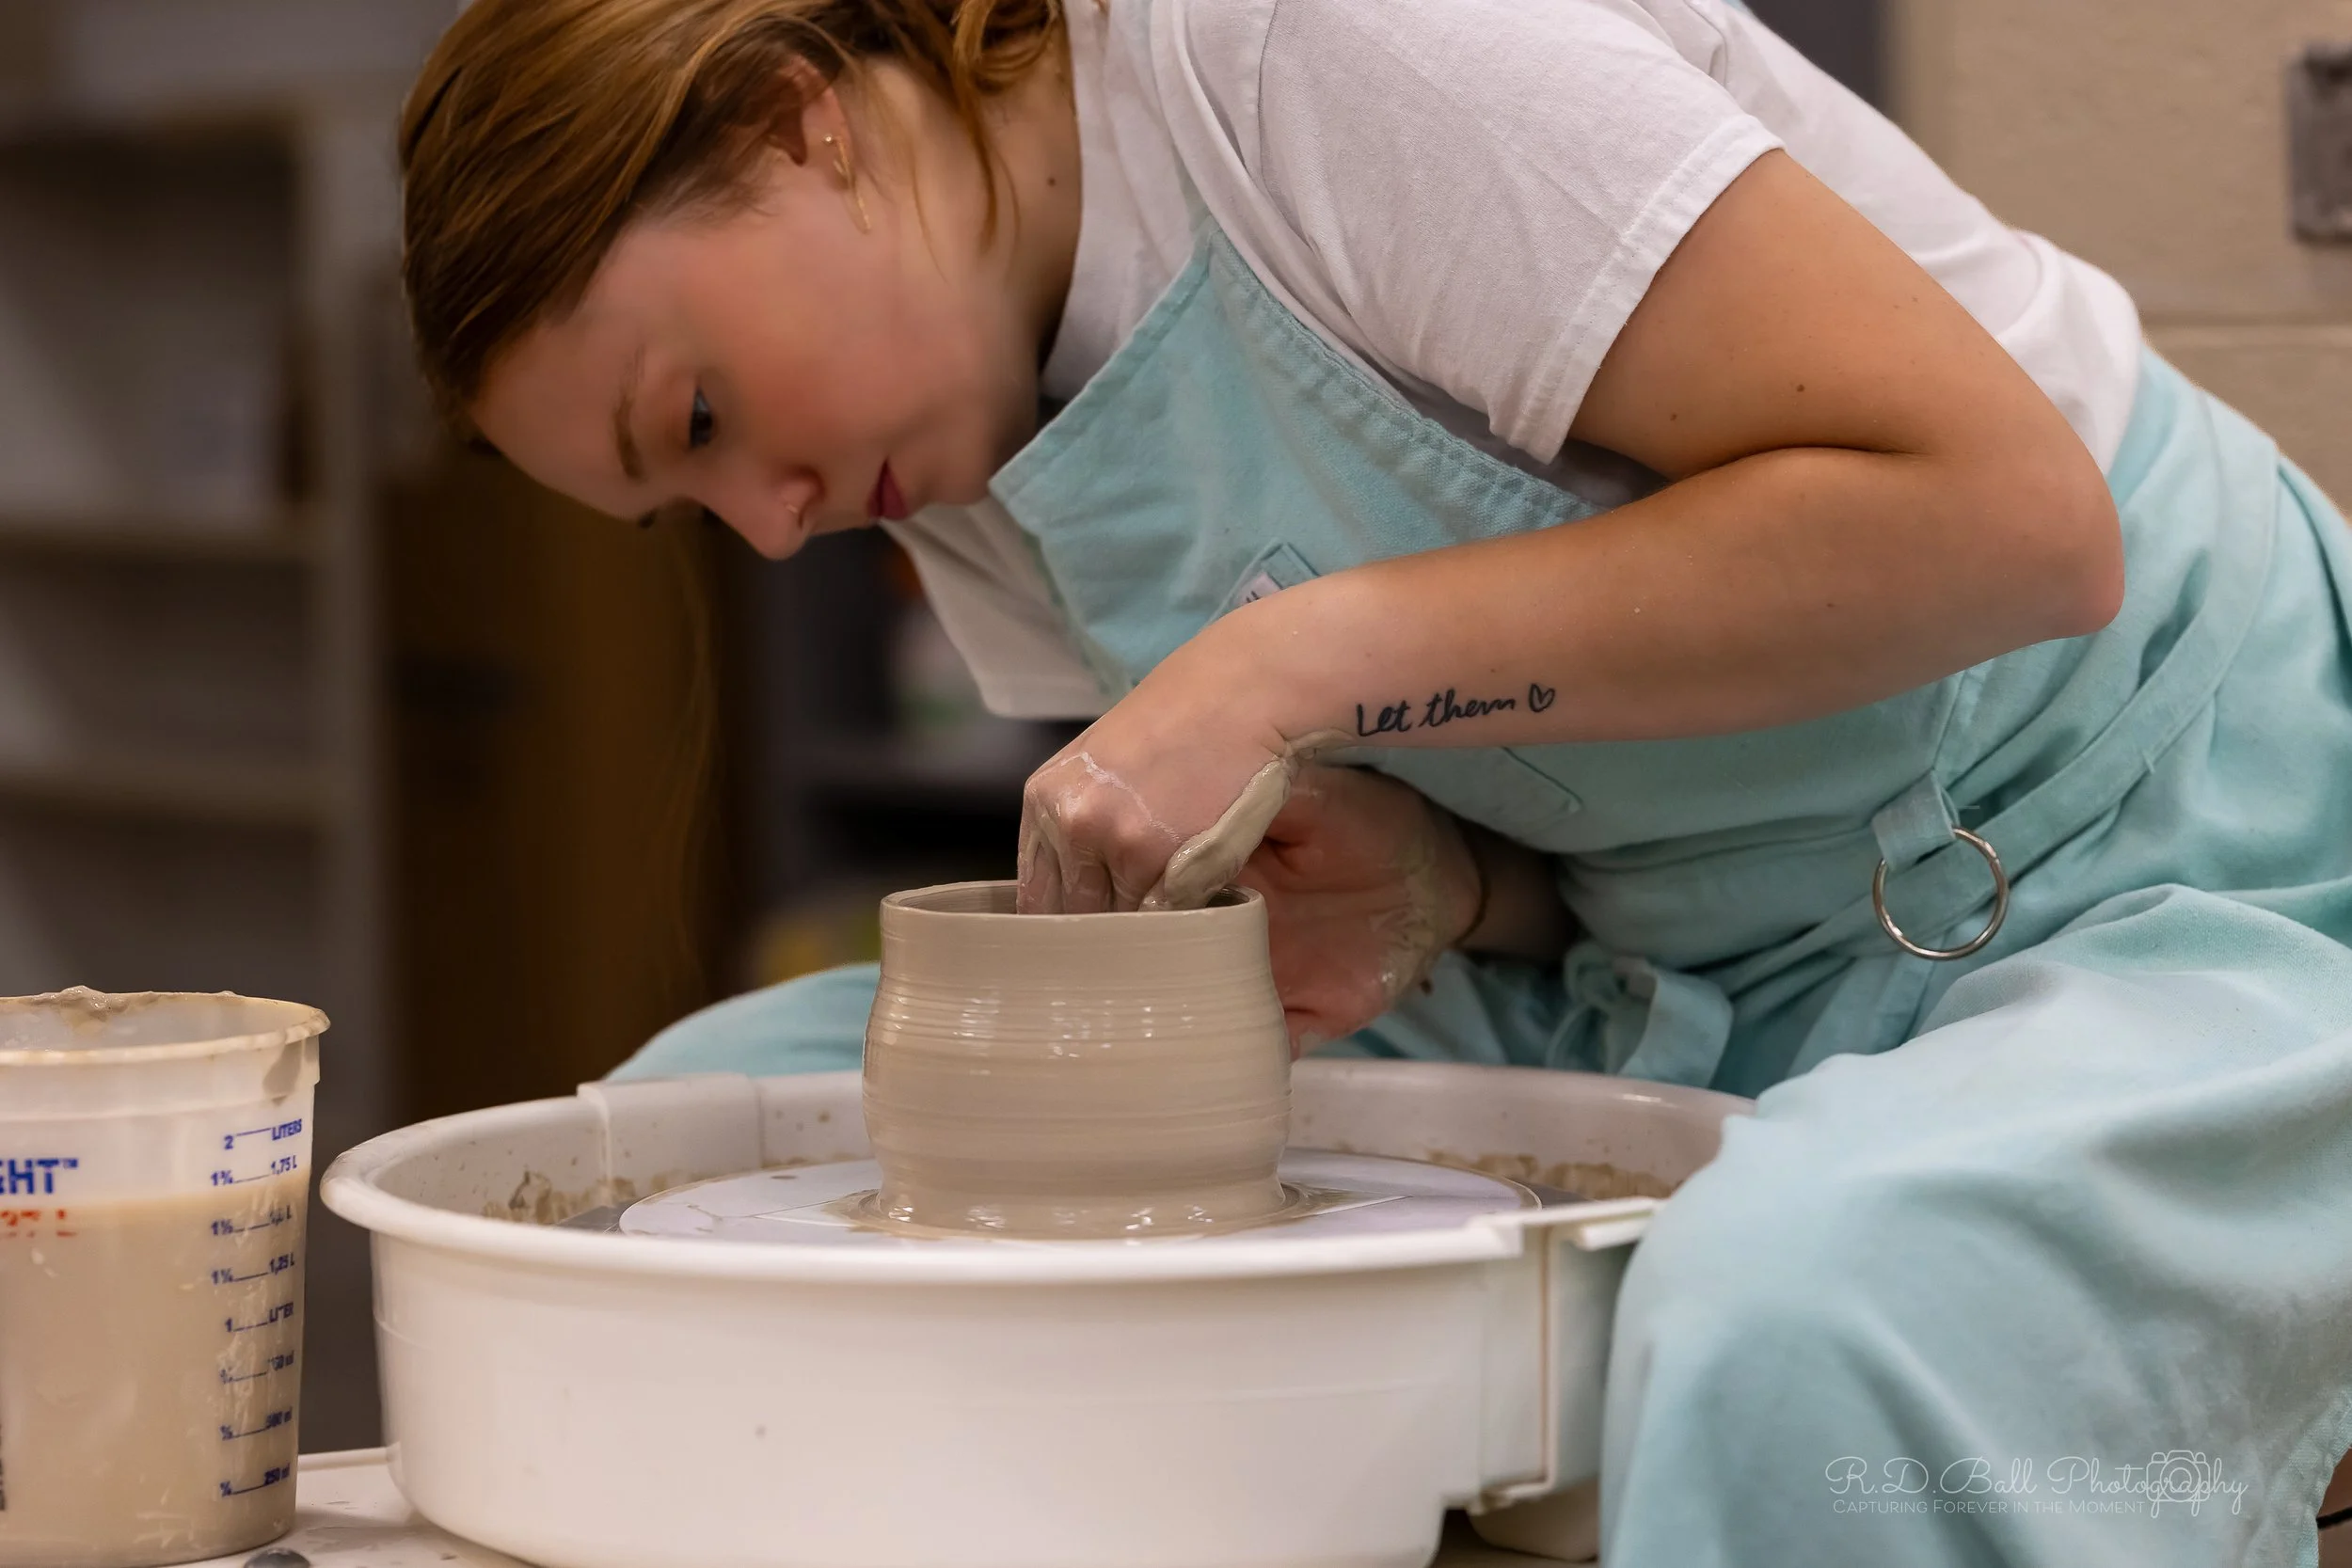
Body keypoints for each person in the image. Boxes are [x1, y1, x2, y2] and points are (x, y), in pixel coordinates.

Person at [397, 0, 2352, 1560]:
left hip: (2140, 857)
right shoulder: (958, 422)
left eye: (709, 418)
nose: (773, 523)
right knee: (686, 1142)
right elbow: (1557, 824)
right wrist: (1431, 895)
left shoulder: (1305, 50)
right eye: (690, 505)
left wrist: (1288, 661)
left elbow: (2015, 529)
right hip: (1682, 955)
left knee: (1802, 1305)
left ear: (796, 111)